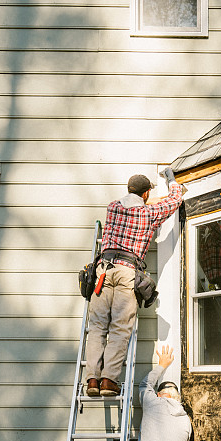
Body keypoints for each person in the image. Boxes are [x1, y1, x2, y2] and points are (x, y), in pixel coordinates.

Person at [85, 168, 183, 397]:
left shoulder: (113, 207)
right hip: (127, 272)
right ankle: (108, 380)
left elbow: (132, 205)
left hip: (102, 271)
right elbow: (175, 200)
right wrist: (171, 179)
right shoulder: (149, 213)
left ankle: (92, 379)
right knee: (119, 328)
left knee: (98, 327)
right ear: (147, 193)